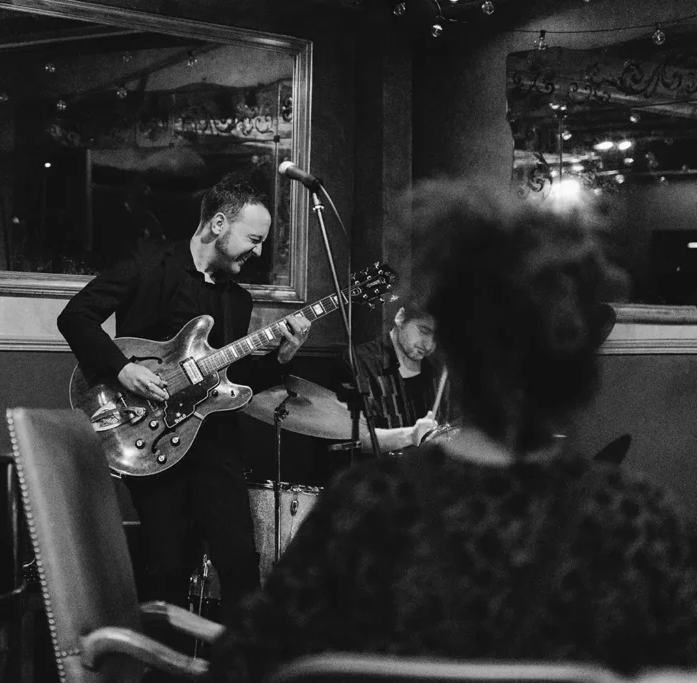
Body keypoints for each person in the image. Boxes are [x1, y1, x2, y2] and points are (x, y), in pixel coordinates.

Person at [208, 179, 697, 681]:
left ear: (456, 354)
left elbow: (248, 665)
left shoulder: (369, 507)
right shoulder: (636, 520)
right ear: (578, 370)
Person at [57, 172, 312, 616]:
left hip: (214, 444)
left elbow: (236, 379)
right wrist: (124, 369)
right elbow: (75, 318)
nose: (258, 250)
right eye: (253, 238)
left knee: (240, 565)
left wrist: (284, 356)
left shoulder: (239, 300)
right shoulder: (146, 265)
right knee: (167, 571)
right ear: (218, 224)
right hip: (151, 441)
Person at [342, 298, 447, 455]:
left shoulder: (437, 369)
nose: (429, 345)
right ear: (400, 317)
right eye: (424, 331)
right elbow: (349, 436)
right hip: (379, 475)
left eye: (437, 338)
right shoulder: (359, 362)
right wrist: (411, 435)